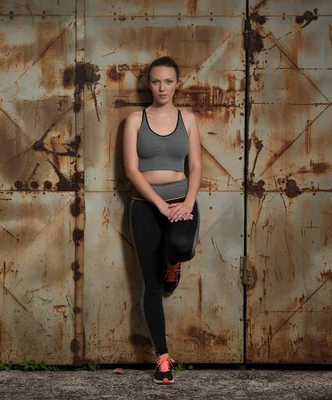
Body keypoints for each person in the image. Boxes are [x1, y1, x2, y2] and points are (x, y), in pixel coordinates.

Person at [123, 56, 202, 384]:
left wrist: (187, 202)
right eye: (156, 81)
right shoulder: (134, 119)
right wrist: (159, 204)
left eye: (168, 81)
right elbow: (131, 168)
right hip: (145, 204)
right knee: (150, 286)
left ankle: (173, 262)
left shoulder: (189, 118)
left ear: (177, 83)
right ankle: (163, 358)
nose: (162, 88)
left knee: (182, 246)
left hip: (181, 202)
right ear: (148, 85)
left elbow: (195, 166)